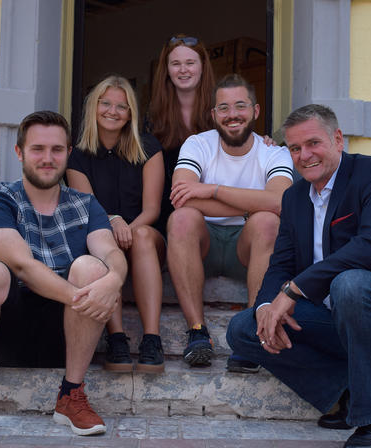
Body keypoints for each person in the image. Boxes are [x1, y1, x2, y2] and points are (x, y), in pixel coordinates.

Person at [226, 104, 371, 448]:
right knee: (244, 327)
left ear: (336, 139)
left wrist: (295, 290)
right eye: (295, 148)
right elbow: (280, 263)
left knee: (351, 283)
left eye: (313, 143)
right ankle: (344, 395)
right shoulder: (294, 197)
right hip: (337, 319)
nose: (304, 155)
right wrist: (268, 305)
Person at [0, 111, 127, 437]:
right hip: (8, 335)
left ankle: (71, 395)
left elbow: (111, 253)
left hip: (67, 338)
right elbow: (23, 266)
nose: (48, 159)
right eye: (38, 149)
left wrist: (113, 281)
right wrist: (88, 298)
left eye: (57, 150)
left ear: (67, 153)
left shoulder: (86, 205)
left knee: (94, 267)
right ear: (20, 152)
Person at [167, 74, 295, 369]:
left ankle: (250, 336)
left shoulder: (274, 152)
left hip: (248, 246)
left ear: (255, 111)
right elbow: (182, 196)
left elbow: (279, 203)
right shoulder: (198, 144)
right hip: (203, 244)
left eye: (240, 106)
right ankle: (197, 333)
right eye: (223, 108)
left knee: (267, 222)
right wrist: (252, 202)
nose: (232, 115)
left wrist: (213, 189)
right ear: (213, 114)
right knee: (182, 218)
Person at [67, 75, 166, 373]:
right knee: (100, 243)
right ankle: (117, 338)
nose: (113, 111)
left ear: (131, 113)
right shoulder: (78, 157)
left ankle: (151, 338)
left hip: (146, 239)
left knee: (145, 236)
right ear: (93, 107)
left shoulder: (149, 148)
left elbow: (152, 209)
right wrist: (113, 221)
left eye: (122, 106)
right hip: (104, 238)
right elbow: (88, 210)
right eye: (106, 103)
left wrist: (129, 229)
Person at [147, 34, 216, 234]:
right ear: (167, 70)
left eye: (190, 63)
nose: (183, 70)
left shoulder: (220, 108)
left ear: (202, 66)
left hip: (214, 213)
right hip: (166, 213)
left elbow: (243, 144)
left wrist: (263, 142)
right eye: (176, 63)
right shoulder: (153, 113)